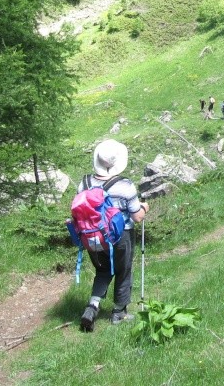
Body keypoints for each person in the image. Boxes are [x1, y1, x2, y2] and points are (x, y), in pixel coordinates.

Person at [79, 139, 149, 332]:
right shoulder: (125, 185)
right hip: (120, 237)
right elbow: (136, 217)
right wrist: (144, 207)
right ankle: (119, 312)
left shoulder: (84, 183)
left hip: (93, 239)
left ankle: (92, 306)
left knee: (102, 271)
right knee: (123, 270)